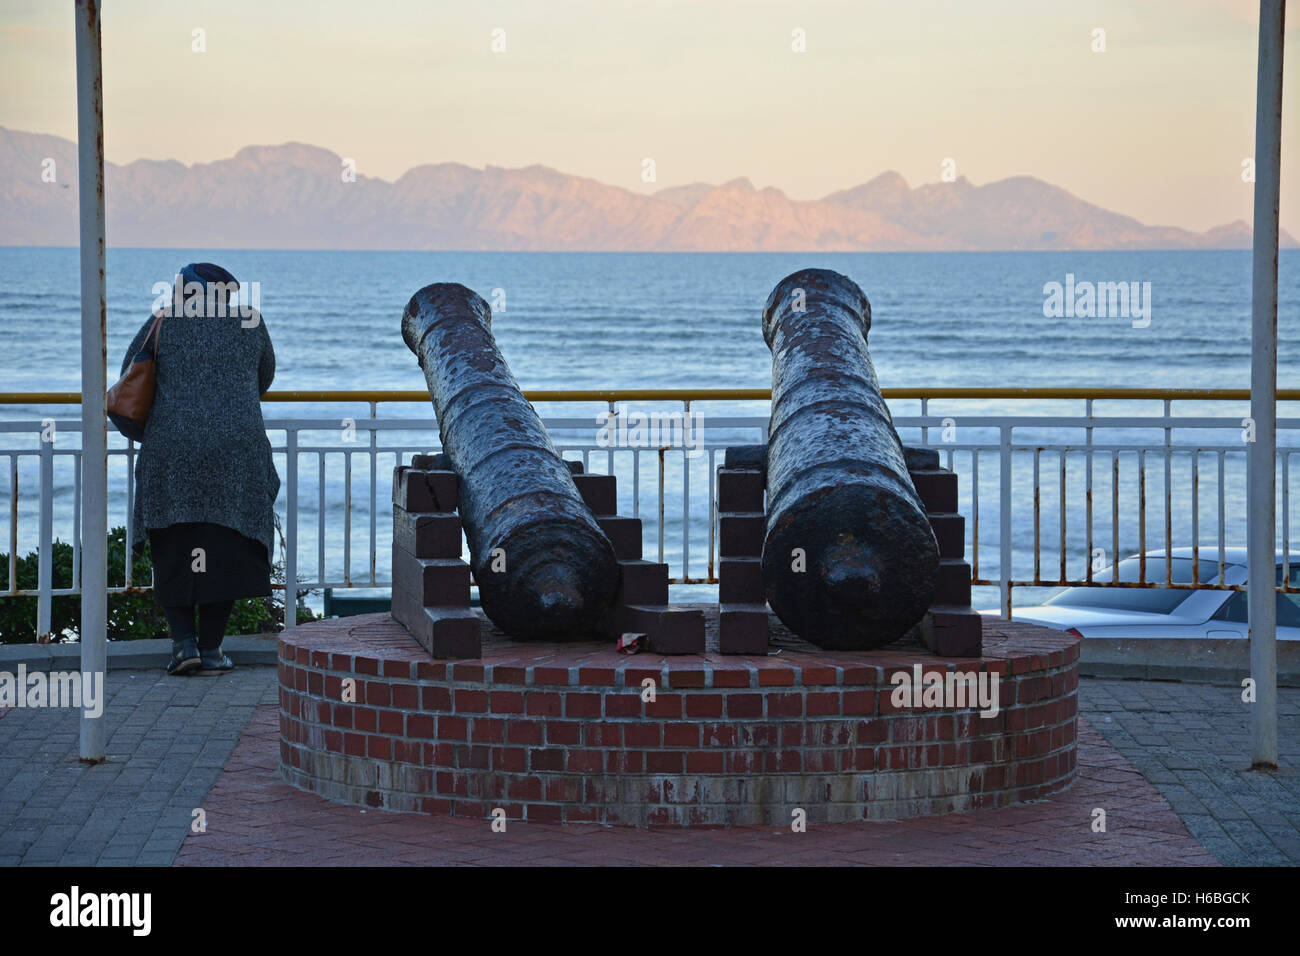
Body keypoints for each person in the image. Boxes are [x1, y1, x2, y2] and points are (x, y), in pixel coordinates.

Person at [120, 262, 280, 675]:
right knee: (225, 544)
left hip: (173, 449)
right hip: (236, 451)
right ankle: (211, 651)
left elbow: (130, 372)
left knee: (174, 543)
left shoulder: (164, 322)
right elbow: (263, 378)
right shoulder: (250, 320)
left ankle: (183, 647)